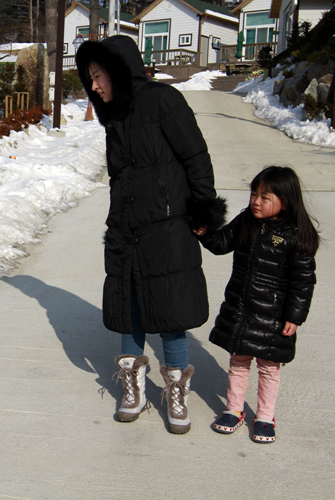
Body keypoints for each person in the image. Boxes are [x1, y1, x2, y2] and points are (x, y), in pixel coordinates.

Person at [76, 35, 226, 434]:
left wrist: (202, 208)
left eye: (97, 76)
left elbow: (195, 155)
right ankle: (134, 389)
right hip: (126, 228)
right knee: (129, 309)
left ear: (118, 70)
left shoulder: (164, 100)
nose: (93, 86)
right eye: (90, 78)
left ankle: (176, 391)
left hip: (168, 224)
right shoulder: (115, 116)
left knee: (171, 309)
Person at [195, 166, 319, 443]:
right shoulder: (245, 222)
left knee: (269, 366)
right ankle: (234, 409)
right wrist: (204, 231)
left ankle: (264, 415)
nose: (256, 201)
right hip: (241, 308)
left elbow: (303, 283)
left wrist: (294, 317)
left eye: (265, 197)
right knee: (238, 361)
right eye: (254, 194)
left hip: (273, 315)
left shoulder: (295, 236)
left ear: (285, 202)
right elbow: (220, 243)